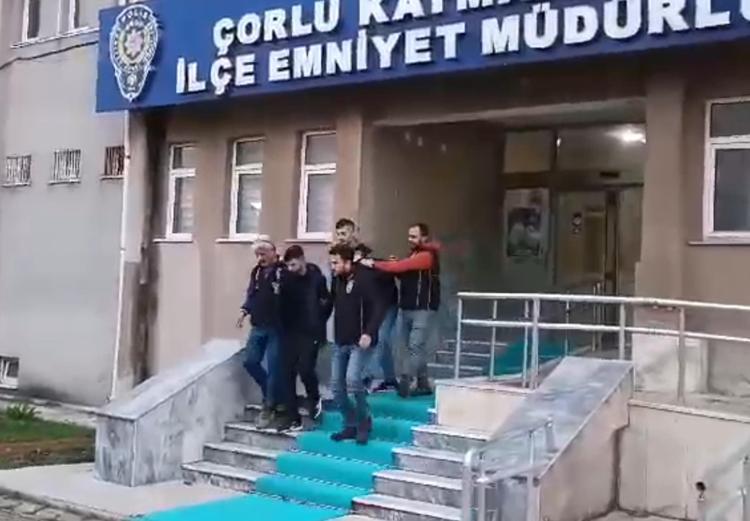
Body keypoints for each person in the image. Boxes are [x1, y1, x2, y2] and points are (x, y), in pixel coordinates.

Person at [363, 223, 440, 398]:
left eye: (414, 236)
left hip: (423, 308)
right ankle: (422, 383)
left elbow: (402, 267)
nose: (410, 239)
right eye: (409, 236)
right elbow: (403, 271)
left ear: (424, 237)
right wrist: (393, 264)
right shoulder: (413, 255)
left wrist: (374, 263)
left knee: (415, 346)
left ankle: (406, 379)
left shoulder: (427, 255)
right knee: (412, 347)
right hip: (407, 307)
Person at [328, 243, 386, 445]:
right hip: (341, 340)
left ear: (347, 262)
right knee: (336, 387)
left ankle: (364, 421)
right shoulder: (337, 280)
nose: (333, 267)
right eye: (331, 263)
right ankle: (350, 423)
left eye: (336, 263)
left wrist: (369, 332)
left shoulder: (365, 278)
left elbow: (379, 306)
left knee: (353, 380)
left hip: (360, 341)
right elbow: (330, 304)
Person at [275, 245, 332, 432]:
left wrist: (318, 321)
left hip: (310, 332)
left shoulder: (316, 278)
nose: (290, 268)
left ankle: (314, 400)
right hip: (290, 331)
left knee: (305, 368)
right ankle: (293, 417)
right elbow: (280, 305)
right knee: (287, 373)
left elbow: (327, 303)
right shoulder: (286, 279)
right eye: (288, 265)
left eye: (293, 264)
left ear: (302, 259)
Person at [237, 237, 287, 430]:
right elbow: (252, 294)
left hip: (277, 327)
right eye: (257, 255)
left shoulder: (282, 271)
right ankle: (273, 394)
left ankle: (269, 407)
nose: (260, 258)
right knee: (250, 361)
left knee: (274, 368)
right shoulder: (257, 272)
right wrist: (244, 311)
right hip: (258, 325)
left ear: (273, 253)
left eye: (263, 254)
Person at [355, 244, 399, 393]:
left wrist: (391, 263)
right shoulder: (355, 270)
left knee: (381, 340)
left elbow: (390, 270)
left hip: (388, 306)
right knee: (382, 343)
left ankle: (366, 377)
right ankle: (390, 379)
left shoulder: (374, 266)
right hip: (376, 308)